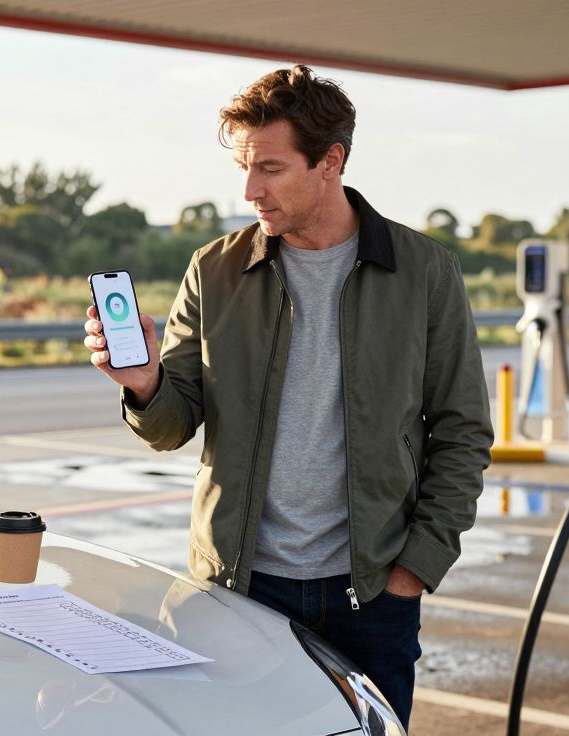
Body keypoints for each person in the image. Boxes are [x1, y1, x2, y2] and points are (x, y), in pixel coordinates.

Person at [82, 65, 493, 728]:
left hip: (372, 594)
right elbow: (170, 425)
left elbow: (462, 431)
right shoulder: (214, 269)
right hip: (238, 590)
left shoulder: (424, 272)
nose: (250, 190)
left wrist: (414, 569)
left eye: (270, 168)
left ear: (331, 161)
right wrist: (146, 384)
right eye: (245, 167)